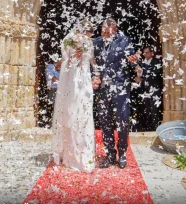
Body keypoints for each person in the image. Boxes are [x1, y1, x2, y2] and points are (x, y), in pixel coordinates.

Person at [92, 18, 140, 169]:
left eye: (108, 31)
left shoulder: (124, 40)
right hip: (102, 89)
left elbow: (133, 60)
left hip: (120, 87)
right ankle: (110, 155)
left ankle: (122, 152)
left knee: (122, 121)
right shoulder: (96, 42)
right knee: (105, 122)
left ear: (116, 29)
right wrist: (94, 76)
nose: (105, 34)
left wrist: (134, 62)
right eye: (103, 31)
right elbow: (90, 63)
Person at [51, 20, 96, 173]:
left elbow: (92, 61)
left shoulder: (89, 43)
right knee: (71, 114)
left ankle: (85, 154)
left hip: (84, 82)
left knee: (84, 115)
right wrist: (73, 58)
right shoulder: (67, 40)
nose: (88, 35)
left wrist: (97, 75)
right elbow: (64, 64)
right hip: (71, 82)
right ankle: (70, 155)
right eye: (88, 31)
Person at [135, 46, 163, 131]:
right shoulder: (143, 63)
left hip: (154, 90)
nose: (145, 54)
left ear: (152, 53)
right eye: (144, 53)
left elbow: (154, 74)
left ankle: (156, 129)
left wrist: (142, 76)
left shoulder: (157, 62)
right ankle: (147, 128)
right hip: (145, 91)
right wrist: (138, 78)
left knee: (154, 110)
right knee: (146, 110)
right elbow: (139, 74)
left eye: (147, 52)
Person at [44, 57, 61, 126]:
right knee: (52, 106)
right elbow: (52, 78)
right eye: (60, 63)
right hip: (53, 90)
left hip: (60, 90)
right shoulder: (50, 67)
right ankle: (50, 123)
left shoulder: (61, 69)